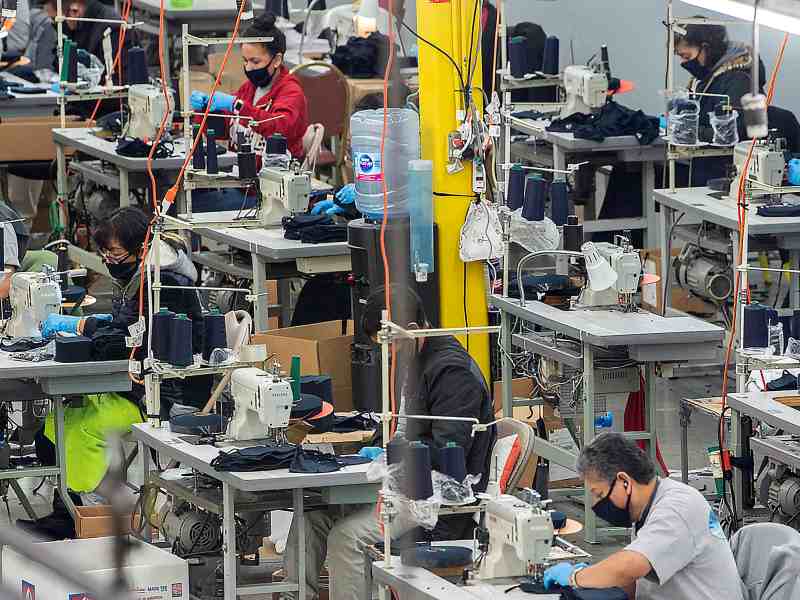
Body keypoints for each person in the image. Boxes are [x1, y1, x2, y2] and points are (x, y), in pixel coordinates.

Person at [283, 285, 494, 600]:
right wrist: (381, 449)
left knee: (347, 536)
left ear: (409, 330)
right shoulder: (418, 358)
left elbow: (449, 455)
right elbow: (403, 426)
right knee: (311, 518)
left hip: (433, 501)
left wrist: (392, 456)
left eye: (389, 345)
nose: (388, 355)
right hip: (405, 487)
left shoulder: (452, 373)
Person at [18, 207, 211, 539]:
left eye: (115, 252)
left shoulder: (164, 285)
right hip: (131, 383)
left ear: (141, 248)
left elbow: (130, 341)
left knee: (81, 432)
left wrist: (84, 325)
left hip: (162, 396)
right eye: (104, 252)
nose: (108, 259)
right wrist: (99, 327)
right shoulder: (134, 279)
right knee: (52, 425)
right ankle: (68, 511)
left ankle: (97, 516)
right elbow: (128, 328)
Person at [543, 432, 745, 600]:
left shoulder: (677, 507)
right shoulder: (647, 510)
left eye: (599, 494)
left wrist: (576, 576)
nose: (596, 504)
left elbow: (630, 567)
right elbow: (635, 583)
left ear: (624, 481)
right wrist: (594, 578)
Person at [189, 12, 309, 212]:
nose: (248, 68)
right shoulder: (249, 89)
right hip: (243, 185)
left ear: (277, 59)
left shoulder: (291, 93)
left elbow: (280, 126)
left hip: (272, 196)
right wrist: (204, 111)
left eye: (255, 62)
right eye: (245, 61)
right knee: (188, 196)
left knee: (192, 206)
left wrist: (237, 106)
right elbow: (224, 130)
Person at [674, 22, 755, 186]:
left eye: (687, 57)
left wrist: (689, 130)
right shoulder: (706, 81)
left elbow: (731, 134)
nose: (683, 63)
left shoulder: (738, 82)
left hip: (724, 174)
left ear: (706, 48)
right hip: (706, 170)